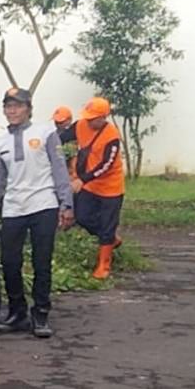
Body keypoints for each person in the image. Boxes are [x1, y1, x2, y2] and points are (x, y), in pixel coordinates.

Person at [0, 88, 75, 338]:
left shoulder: (45, 133)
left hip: (44, 204)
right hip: (13, 208)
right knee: (9, 262)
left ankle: (40, 313)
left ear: (29, 108)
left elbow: (59, 170)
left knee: (42, 262)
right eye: (8, 106)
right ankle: (17, 312)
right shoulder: (0, 144)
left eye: (18, 106)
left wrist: (67, 204)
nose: (13, 111)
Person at [68, 97, 125, 279]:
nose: (89, 121)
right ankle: (110, 239)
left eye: (94, 118)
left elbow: (106, 164)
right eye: (88, 117)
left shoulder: (112, 136)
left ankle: (104, 266)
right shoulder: (80, 125)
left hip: (111, 188)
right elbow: (60, 138)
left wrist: (82, 180)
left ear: (103, 118)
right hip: (91, 186)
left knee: (108, 224)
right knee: (82, 217)